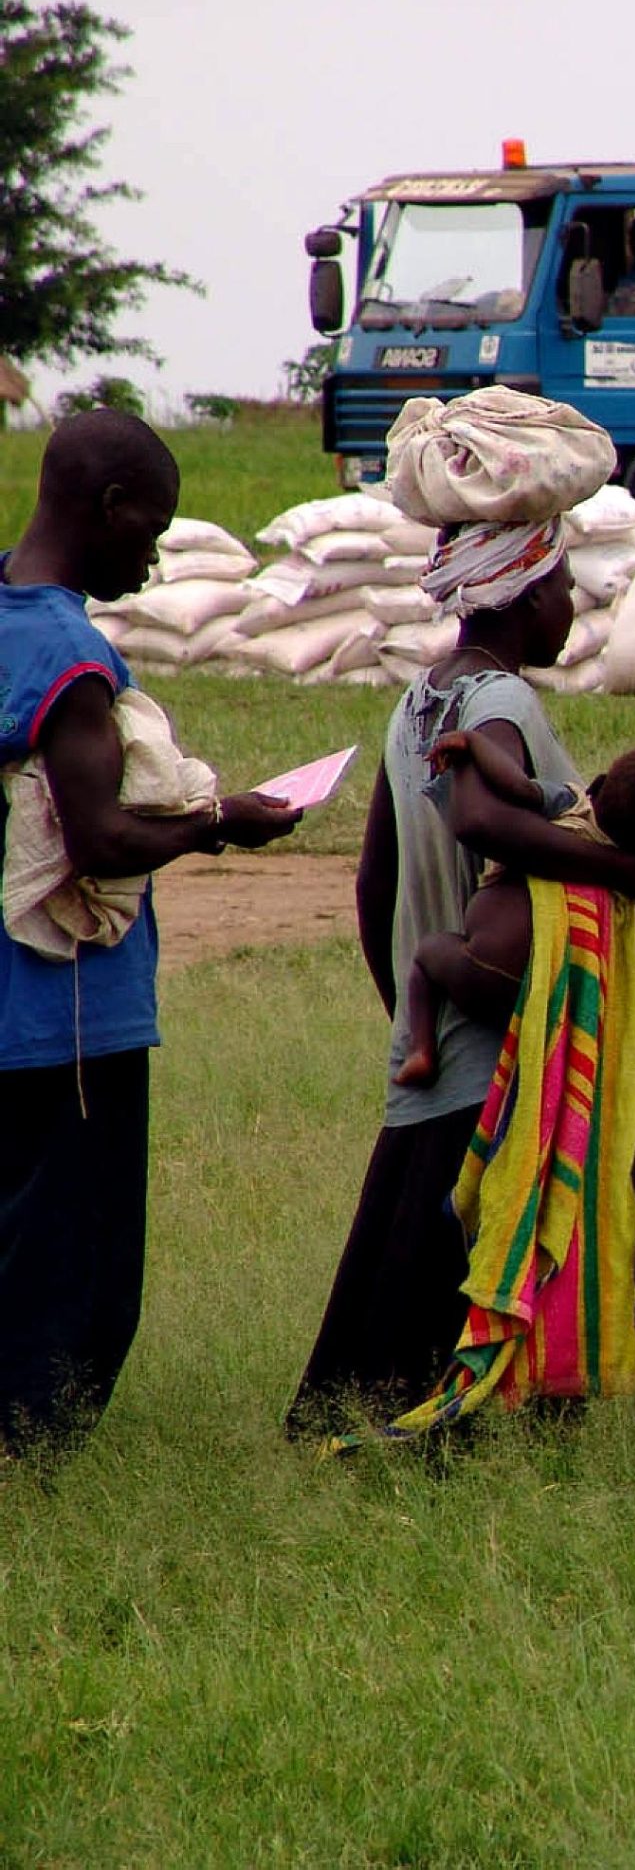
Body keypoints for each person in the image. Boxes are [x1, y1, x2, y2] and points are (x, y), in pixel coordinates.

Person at [290, 451, 635, 1434]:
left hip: (443, 1045)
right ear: (516, 593)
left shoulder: (415, 702)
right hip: (512, 1048)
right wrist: (631, 875)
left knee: (396, 1290)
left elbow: (375, 877)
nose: (571, 609)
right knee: (504, 1258)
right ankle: (488, 1431)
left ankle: (380, 1425)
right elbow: (482, 822)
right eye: (557, 587)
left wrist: (408, 1010)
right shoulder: (501, 703)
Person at [0, 410, 301, 1452]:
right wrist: (222, 822)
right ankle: (33, 1451)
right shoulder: (70, 655)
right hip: (66, 1011)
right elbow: (99, 839)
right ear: (110, 507)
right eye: (152, 529)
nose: (156, 553)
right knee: (69, 1255)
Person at [395, 734, 635, 1086]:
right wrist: (628, 987)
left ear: (598, 785)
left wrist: (475, 744)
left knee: (427, 954)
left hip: (484, 967)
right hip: (557, 996)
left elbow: (517, 786)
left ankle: (421, 1048)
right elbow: (627, 942)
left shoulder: (569, 804)